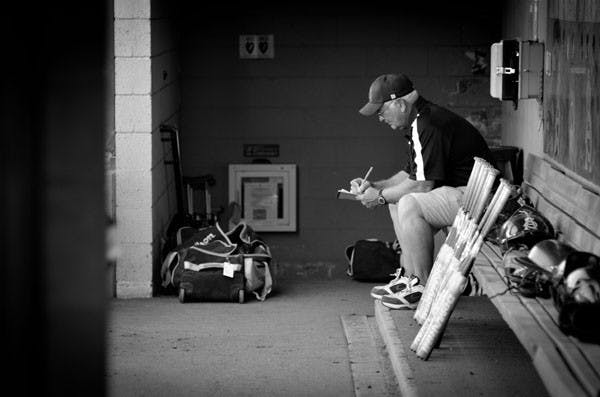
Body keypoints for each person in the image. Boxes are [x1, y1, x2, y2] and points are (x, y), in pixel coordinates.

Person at [353, 73, 495, 310]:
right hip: (466, 194)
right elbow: (410, 176)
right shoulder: (421, 118)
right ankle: (409, 279)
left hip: (481, 199)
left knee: (409, 202)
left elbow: (422, 186)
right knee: (397, 201)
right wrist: (376, 187)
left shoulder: (427, 123)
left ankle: (421, 286)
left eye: (381, 111)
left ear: (399, 103)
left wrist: (377, 198)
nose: (380, 118)